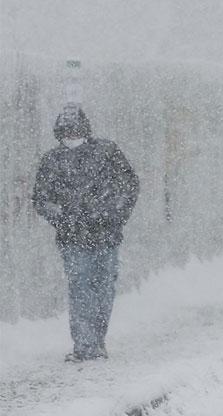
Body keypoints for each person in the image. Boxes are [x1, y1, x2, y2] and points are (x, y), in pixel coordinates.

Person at [32, 105, 139, 362]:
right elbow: (41, 199)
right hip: (73, 237)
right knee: (81, 287)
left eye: (75, 130)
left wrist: (112, 213)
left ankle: (96, 340)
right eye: (65, 131)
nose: (71, 136)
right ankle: (84, 345)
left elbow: (129, 186)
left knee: (102, 289)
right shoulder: (52, 160)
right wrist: (65, 218)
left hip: (106, 234)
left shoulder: (107, 151)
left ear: (85, 129)